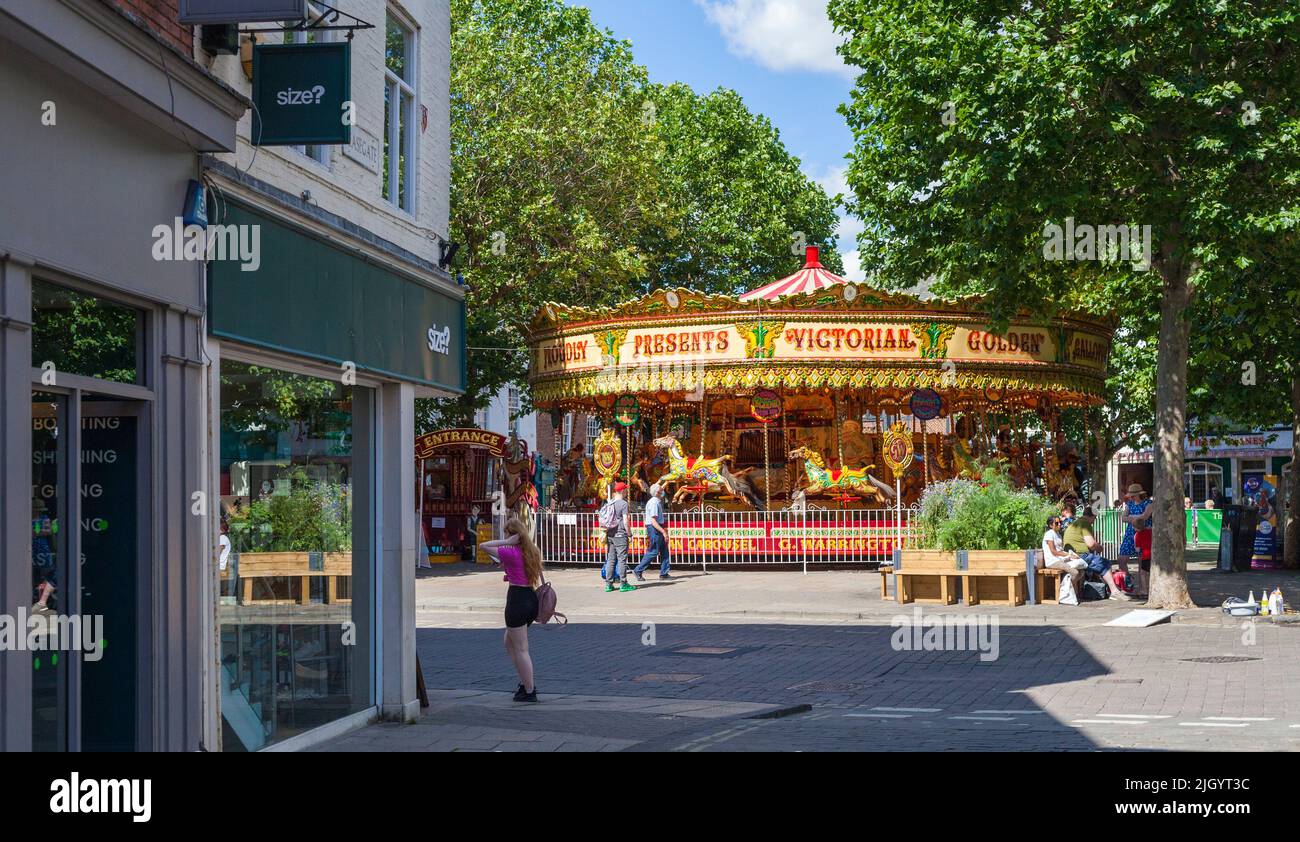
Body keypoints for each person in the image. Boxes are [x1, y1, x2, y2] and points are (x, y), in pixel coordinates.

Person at [478, 516, 544, 703]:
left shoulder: (510, 551)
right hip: (530, 598)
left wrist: (506, 542)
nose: (505, 536)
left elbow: (484, 546)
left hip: (517, 600)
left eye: (506, 533)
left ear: (512, 535)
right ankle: (525, 681)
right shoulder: (532, 550)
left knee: (521, 649)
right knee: (509, 642)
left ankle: (529, 689)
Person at [1061, 504, 1130, 600]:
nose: (1094, 521)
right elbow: (1091, 544)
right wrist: (1099, 548)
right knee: (1105, 563)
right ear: (1091, 516)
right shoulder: (1085, 523)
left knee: (1099, 563)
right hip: (1080, 555)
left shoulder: (1076, 523)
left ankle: (1110, 589)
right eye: (1095, 518)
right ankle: (1114, 591)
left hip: (1071, 555)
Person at [1118, 482, 1152, 599]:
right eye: (1131, 495)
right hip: (1130, 533)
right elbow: (1123, 518)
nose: (1131, 497)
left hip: (1144, 533)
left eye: (1134, 495)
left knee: (1141, 561)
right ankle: (1128, 582)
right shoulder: (1129, 504)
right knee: (1122, 559)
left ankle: (1143, 589)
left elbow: (1146, 515)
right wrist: (1136, 517)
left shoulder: (1148, 503)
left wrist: (1131, 518)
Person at [1042, 514, 1087, 600]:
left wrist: (1071, 556)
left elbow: (1060, 550)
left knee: (1081, 571)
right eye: (1057, 523)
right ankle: (1067, 591)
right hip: (1052, 561)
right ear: (1051, 525)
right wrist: (1069, 555)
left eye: (1060, 522)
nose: (1059, 524)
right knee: (1075, 572)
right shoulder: (1049, 534)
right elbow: (1054, 551)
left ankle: (1069, 590)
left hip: (1060, 559)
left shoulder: (1058, 534)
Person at [633, 482, 672, 580]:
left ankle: (664, 572)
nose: (663, 492)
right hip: (654, 528)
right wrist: (663, 531)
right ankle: (638, 570)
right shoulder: (654, 503)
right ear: (658, 492)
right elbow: (653, 521)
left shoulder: (656, 501)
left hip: (657, 527)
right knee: (653, 551)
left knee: (664, 550)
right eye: (661, 491)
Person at [601, 482, 634, 592]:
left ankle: (608, 584)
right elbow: (625, 521)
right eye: (626, 490)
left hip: (610, 534)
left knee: (611, 560)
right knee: (621, 560)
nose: (626, 492)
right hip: (620, 535)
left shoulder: (610, 503)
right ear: (623, 491)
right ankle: (623, 583)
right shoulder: (623, 504)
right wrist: (629, 533)